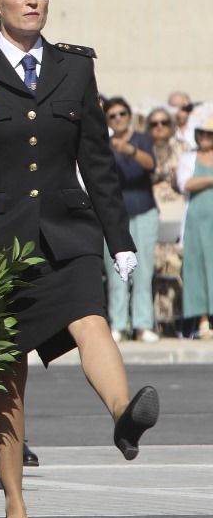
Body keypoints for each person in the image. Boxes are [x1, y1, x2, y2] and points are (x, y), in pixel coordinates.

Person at [0, 0, 158, 518]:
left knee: (91, 318)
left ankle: (123, 415)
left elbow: (97, 162)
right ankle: (14, 505)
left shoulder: (74, 69)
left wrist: (119, 238)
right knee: (6, 376)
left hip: (67, 231)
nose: (33, 1)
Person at [102, 97, 159, 342]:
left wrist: (129, 150)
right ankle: (118, 323)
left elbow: (150, 164)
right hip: (114, 214)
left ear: (129, 115)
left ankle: (143, 324)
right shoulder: (102, 142)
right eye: (112, 116)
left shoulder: (142, 139)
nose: (118, 119)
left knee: (144, 270)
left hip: (143, 209)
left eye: (122, 114)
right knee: (116, 271)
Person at [175, 110, 213, 339]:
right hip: (196, 223)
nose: (205, 139)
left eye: (209, 135)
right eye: (202, 134)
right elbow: (184, 183)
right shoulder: (188, 158)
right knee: (196, 269)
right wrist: (209, 180)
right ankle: (202, 320)